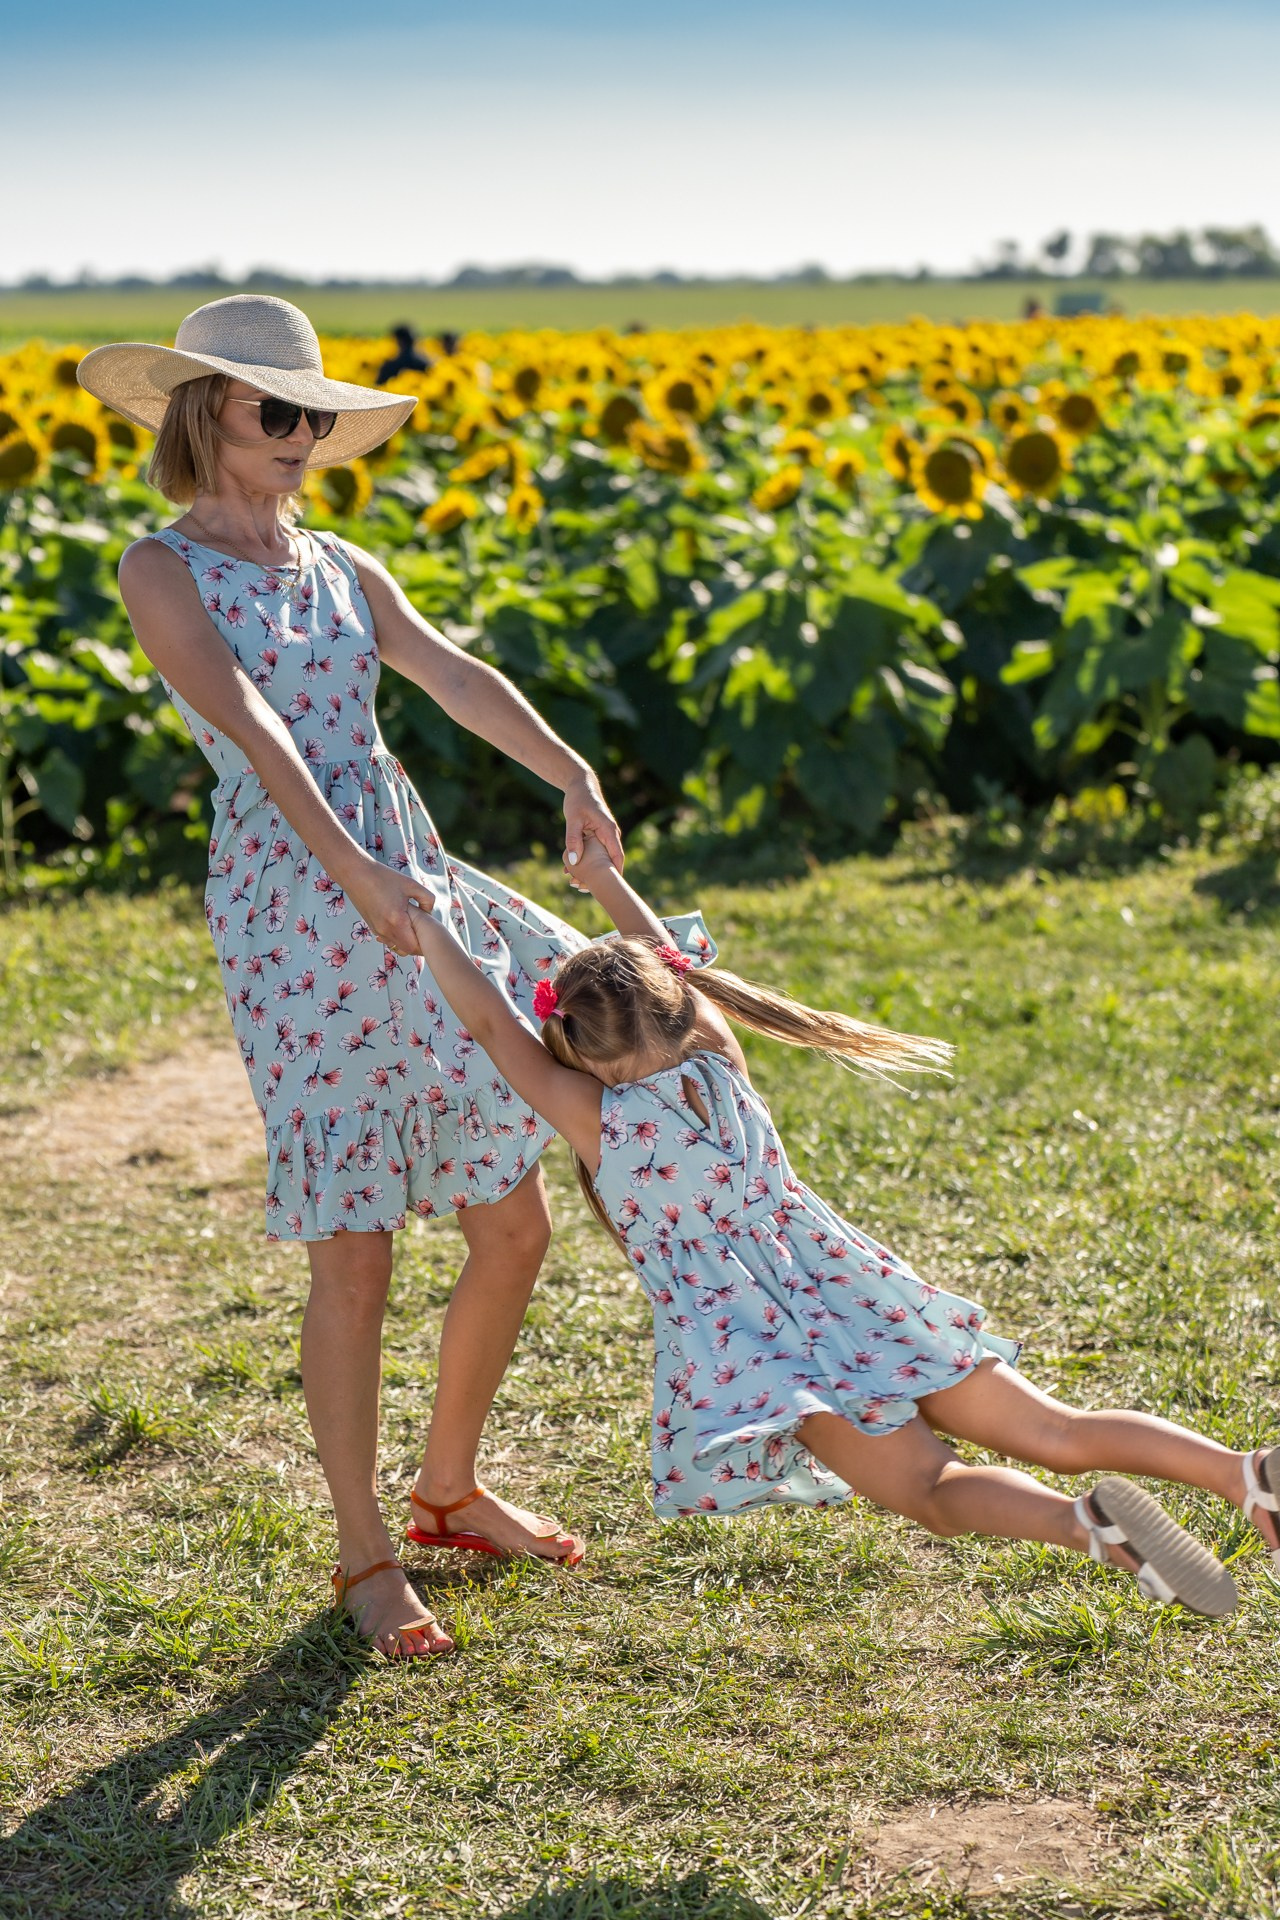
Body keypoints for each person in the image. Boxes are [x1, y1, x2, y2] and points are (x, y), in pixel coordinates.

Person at [78, 294, 633, 1661]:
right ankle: (363, 1553)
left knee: (512, 1224)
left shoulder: (338, 561)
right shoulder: (163, 568)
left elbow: (448, 671)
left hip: (408, 877)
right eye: (282, 413)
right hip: (298, 901)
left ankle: (447, 1492)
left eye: (318, 417)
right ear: (208, 411)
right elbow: (256, 730)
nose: (307, 437)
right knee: (358, 1249)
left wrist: (571, 772)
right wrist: (354, 875)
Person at [401, 834, 1280, 1619]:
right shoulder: (717, 1055)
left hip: (771, 1343)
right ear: (679, 1001)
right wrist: (603, 883)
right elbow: (668, 961)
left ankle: (1079, 1524)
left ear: (574, 1041)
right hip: (854, 1287)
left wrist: (431, 927)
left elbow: (485, 1016)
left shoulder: (591, 1115)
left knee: (932, 1488)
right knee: (1058, 1429)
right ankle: (1244, 1474)